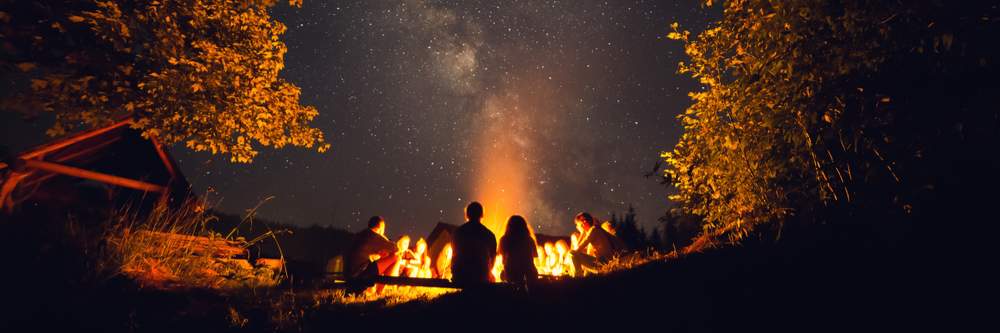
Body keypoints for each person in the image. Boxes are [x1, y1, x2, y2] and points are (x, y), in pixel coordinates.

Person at [450, 201, 497, 286]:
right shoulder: (489, 234)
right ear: (482, 215)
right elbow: (493, 258)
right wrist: (488, 272)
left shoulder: (458, 232)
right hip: (481, 276)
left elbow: (454, 255)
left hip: (460, 275)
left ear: (467, 214)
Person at [344, 216, 400, 282]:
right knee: (396, 257)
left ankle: (372, 288)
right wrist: (383, 236)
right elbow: (396, 248)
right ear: (380, 228)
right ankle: (381, 289)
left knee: (383, 256)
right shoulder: (374, 236)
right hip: (359, 275)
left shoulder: (361, 234)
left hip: (348, 275)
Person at [498, 215, 538, 286]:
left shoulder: (504, 240)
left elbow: (503, 261)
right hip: (529, 274)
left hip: (511, 274)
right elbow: (534, 256)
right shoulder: (530, 240)